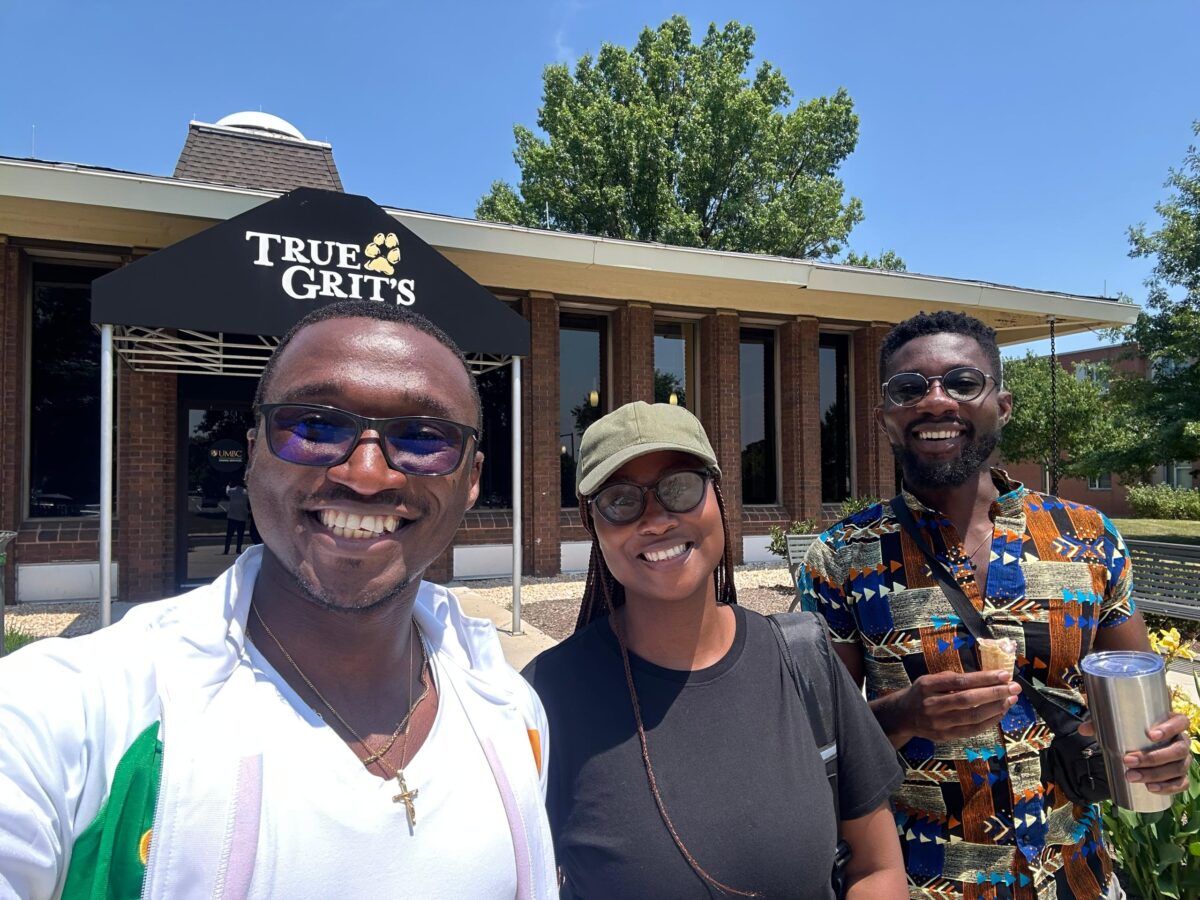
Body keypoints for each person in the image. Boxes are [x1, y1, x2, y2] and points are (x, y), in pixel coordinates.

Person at [0, 301, 556, 898]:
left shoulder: (511, 712)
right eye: (316, 426)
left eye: (423, 436)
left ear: (471, 479)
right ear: (252, 452)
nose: (367, 474)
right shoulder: (69, 715)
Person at [801, 311, 1193, 899]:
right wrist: (903, 714)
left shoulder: (1089, 536)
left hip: (1077, 876)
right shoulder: (843, 557)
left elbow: (1136, 702)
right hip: (927, 882)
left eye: (963, 382)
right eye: (910, 389)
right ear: (886, 419)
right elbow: (818, 747)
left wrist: (1162, 753)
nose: (936, 402)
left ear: (1002, 406)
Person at [524, 401, 906, 899]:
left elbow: (876, 868)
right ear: (592, 525)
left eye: (679, 487)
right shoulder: (544, 697)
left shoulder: (804, 660)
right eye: (620, 500)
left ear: (717, 497)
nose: (657, 520)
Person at [223, 480, 250, 554]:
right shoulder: (245, 492)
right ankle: (238, 549)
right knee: (240, 535)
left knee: (229, 535)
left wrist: (228, 485)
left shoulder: (232, 491)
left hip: (232, 516)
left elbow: (227, 491)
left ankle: (226, 550)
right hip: (242, 516)